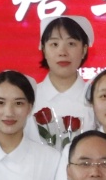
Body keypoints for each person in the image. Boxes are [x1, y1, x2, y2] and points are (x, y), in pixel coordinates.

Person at [31, 13, 96, 144]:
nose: (62, 52)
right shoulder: (28, 97)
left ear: (84, 50)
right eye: (54, 44)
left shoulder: (97, 99)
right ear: (44, 49)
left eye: (71, 44)